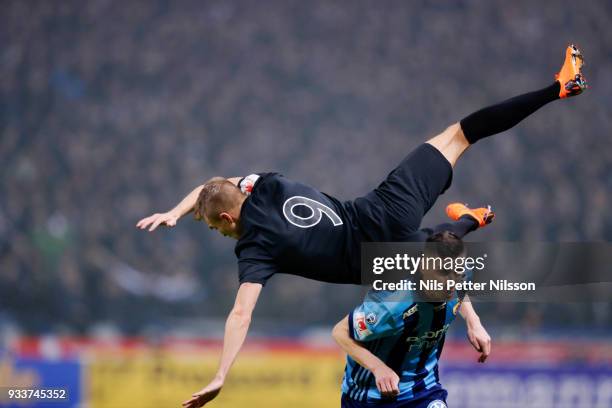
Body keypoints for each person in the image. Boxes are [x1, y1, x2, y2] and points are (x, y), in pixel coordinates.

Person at [136, 45, 586, 407]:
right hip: (381, 208)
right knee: (459, 135)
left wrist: (220, 375)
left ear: (230, 218)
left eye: (218, 229)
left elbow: (240, 315)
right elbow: (213, 187)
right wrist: (177, 212)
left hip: (374, 257)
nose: (223, 234)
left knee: (438, 252)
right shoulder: (262, 184)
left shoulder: (255, 248)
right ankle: (557, 89)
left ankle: (468, 219)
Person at [332, 234, 488, 408]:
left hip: (423, 390)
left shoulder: (460, 275)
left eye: (457, 272)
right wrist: (378, 368)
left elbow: (460, 290)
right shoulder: (391, 306)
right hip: (369, 398)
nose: (451, 282)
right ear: (423, 267)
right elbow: (341, 332)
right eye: (443, 272)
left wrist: (474, 323)